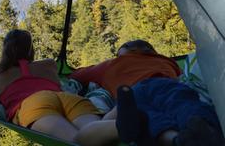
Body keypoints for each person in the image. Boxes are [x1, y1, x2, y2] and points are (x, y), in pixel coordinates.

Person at [71, 40, 225, 146]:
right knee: (183, 104)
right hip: (164, 86)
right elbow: (182, 78)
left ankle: (174, 140)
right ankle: (205, 128)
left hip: (131, 96)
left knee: (149, 117)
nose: (117, 58)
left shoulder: (112, 65)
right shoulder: (168, 62)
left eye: (119, 53)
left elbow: (77, 74)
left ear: (135, 50)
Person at [0, 29, 118, 144]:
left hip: (32, 104)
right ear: (30, 49)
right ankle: (118, 115)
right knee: (98, 130)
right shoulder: (49, 64)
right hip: (67, 98)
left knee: (74, 141)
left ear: (5, 49)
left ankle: (122, 123)